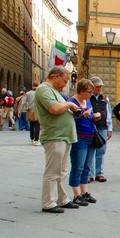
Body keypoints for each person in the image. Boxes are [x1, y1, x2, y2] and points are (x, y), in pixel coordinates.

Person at [35, 66, 82, 213]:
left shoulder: (55, 91)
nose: (65, 84)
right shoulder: (44, 89)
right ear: (55, 76)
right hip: (55, 136)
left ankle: (62, 199)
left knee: (62, 171)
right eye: (65, 80)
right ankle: (48, 202)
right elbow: (54, 109)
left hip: (63, 136)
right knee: (53, 171)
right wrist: (69, 104)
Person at [67, 78, 99, 206]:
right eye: (89, 92)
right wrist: (82, 116)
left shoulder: (88, 101)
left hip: (91, 136)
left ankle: (84, 192)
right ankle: (76, 195)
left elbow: (89, 116)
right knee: (78, 166)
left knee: (87, 166)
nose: (91, 94)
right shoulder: (71, 102)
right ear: (81, 90)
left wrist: (93, 116)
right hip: (79, 138)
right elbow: (69, 121)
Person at [88, 77, 113, 182]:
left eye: (100, 86)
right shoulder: (88, 97)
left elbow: (108, 113)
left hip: (102, 127)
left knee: (101, 151)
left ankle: (99, 173)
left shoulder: (105, 98)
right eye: (97, 86)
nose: (99, 88)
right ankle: (89, 174)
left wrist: (110, 128)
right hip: (90, 127)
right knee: (90, 151)